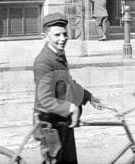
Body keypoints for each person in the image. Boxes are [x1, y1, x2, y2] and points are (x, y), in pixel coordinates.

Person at [33, 11, 105, 164]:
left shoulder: (58, 54)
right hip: (48, 124)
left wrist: (88, 97)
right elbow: (45, 99)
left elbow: (67, 83)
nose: (62, 39)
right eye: (57, 35)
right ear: (44, 36)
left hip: (62, 120)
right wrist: (72, 108)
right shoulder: (44, 62)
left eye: (65, 34)